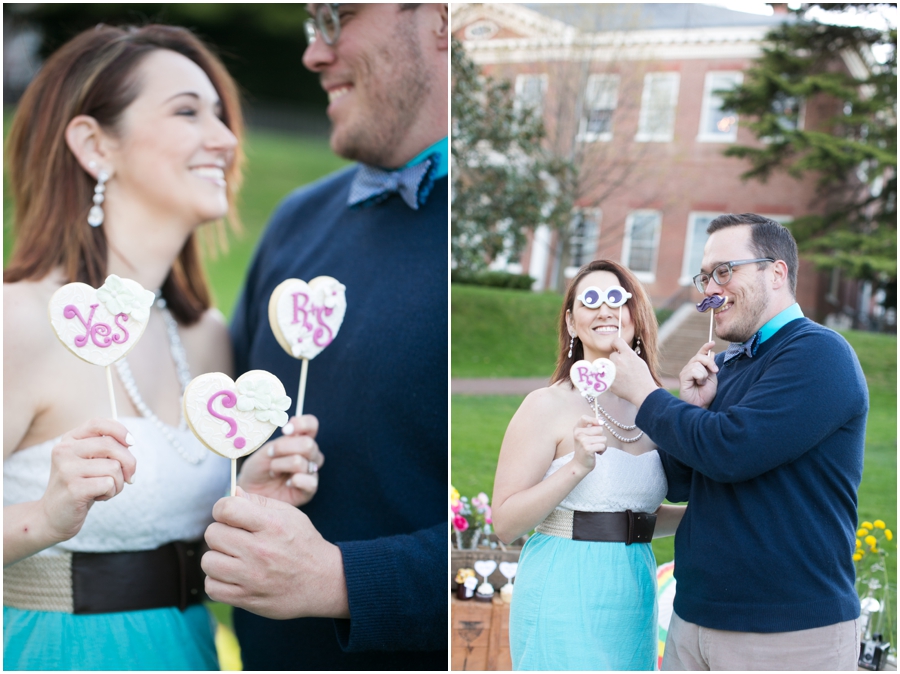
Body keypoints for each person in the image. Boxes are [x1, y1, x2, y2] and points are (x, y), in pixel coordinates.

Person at [1, 24, 313, 671]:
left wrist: (245, 496)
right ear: (93, 144)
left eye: (223, 117)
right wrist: (45, 516)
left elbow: (156, 529)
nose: (226, 140)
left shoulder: (205, 334)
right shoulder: (17, 321)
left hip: (186, 649)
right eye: (187, 111)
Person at [200, 3, 449, 670]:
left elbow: (533, 539)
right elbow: (228, 453)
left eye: (336, 17)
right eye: (311, 24)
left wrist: (339, 579)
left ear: (444, 21)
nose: (313, 54)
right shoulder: (296, 220)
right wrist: (243, 487)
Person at [608, 214, 867, 670]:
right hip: (694, 619)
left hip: (787, 632)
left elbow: (731, 452)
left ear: (777, 272)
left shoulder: (819, 354)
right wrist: (694, 406)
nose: (710, 287)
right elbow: (682, 483)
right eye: (706, 275)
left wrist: (647, 396)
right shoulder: (727, 365)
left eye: (725, 271)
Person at [492, 260, 686, 670]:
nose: (604, 310)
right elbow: (505, 524)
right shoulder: (546, 405)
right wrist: (576, 467)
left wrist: (707, 515)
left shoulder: (652, 408)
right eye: (590, 300)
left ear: (635, 314)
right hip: (564, 587)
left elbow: (640, 514)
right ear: (571, 321)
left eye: (616, 299)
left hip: (632, 592)